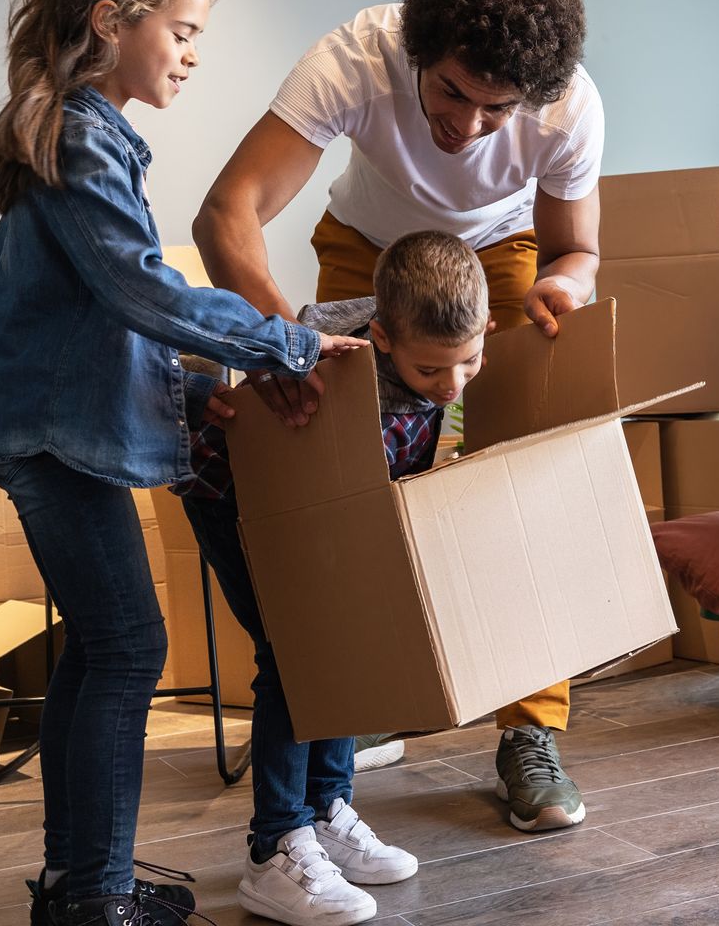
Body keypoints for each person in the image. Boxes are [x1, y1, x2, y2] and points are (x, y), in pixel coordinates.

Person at [0, 0, 364, 926]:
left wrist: (190, 388)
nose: (190, 54)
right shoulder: (85, 139)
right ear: (109, 21)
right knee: (131, 645)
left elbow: (105, 321)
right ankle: (93, 892)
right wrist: (286, 340)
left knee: (103, 649)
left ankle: (78, 877)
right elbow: (142, 290)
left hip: (58, 422)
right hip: (54, 436)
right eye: (182, 31)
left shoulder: (92, 136)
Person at [193, 0, 600, 831]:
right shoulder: (356, 58)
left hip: (499, 261)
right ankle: (357, 697)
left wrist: (564, 287)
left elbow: (577, 248)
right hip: (366, 253)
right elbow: (227, 216)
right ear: (418, 51)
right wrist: (284, 345)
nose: (466, 126)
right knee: (344, 492)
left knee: (519, 492)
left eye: (498, 110)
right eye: (452, 92)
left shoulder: (569, 108)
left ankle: (529, 732)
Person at [171, 231, 493, 924]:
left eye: (469, 361)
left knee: (339, 642)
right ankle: (274, 847)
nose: (454, 384)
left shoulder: (438, 353)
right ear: (378, 338)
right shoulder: (329, 374)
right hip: (239, 493)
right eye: (433, 371)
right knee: (296, 654)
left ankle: (323, 810)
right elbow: (299, 473)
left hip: (336, 500)